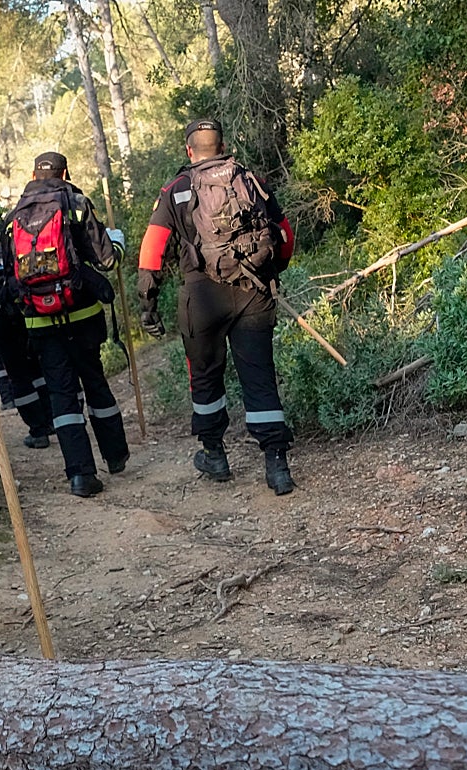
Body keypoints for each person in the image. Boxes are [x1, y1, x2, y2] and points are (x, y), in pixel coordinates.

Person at [136, 117, 296, 495]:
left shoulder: (176, 189)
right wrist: (271, 271)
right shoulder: (250, 179)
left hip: (201, 298)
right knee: (259, 375)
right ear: (222, 146)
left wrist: (148, 303)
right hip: (252, 291)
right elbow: (285, 235)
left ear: (189, 150)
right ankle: (276, 464)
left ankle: (214, 454)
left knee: (205, 374)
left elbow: (152, 250)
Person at [0, 153, 130, 497]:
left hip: (39, 321)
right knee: (95, 382)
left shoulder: (13, 218)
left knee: (61, 393)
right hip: (83, 317)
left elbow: (10, 275)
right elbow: (107, 258)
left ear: (33, 174)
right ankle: (115, 457)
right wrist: (116, 240)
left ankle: (80, 475)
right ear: (65, 173)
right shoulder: (76, 204)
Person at [0, 193, 54, 447]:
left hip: (0, 318)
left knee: (19, 376)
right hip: (27, 311)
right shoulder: (16, 234)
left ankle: (38, 429)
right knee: (37, 368)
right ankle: (51, 420)